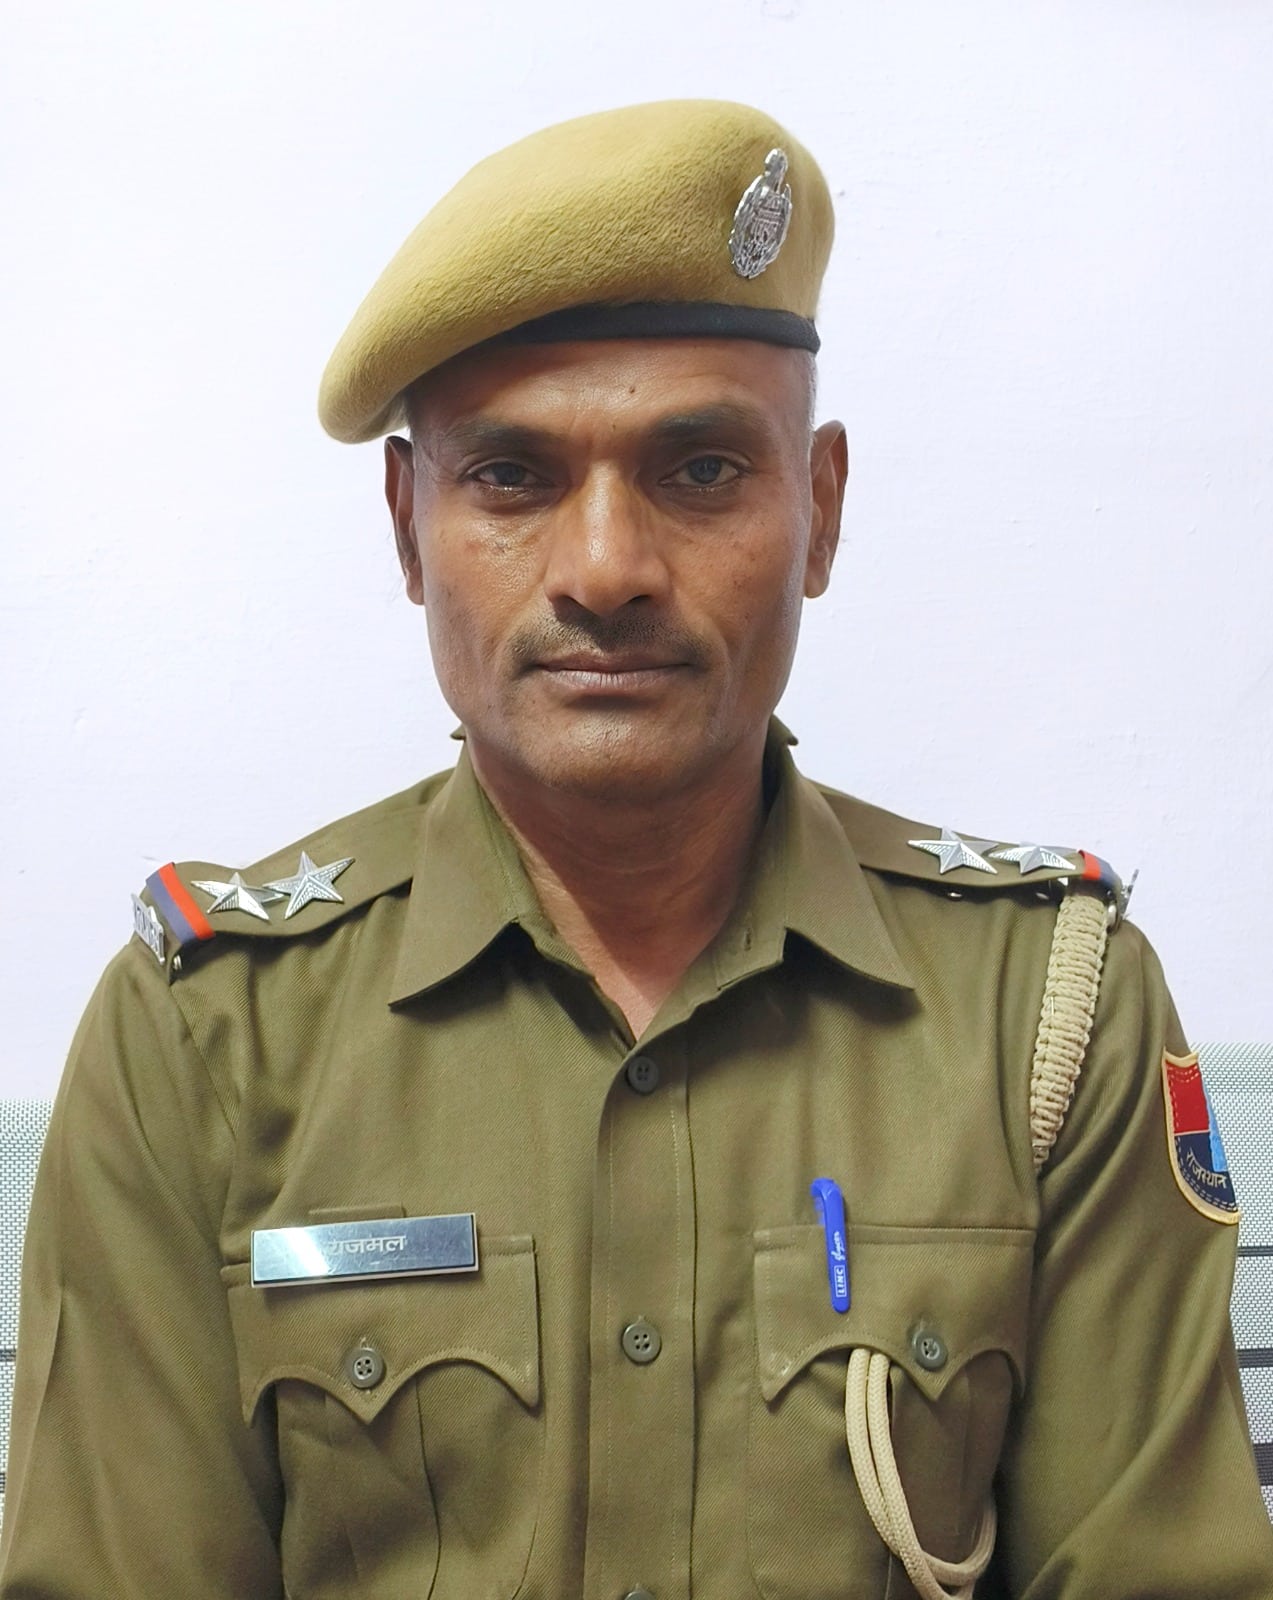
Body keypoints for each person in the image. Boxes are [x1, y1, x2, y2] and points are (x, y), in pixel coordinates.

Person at [0, 98, 1269, 1600]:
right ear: (407, 526)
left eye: (702, 470)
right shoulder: (210, 1034)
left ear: (821, 510)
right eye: (512, 477)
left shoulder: (1046, 1013)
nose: (605, 571)